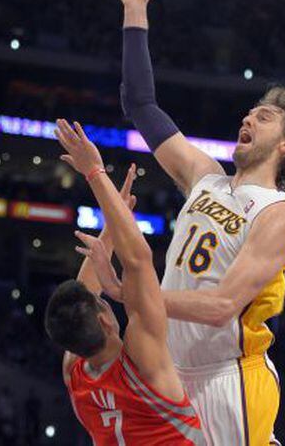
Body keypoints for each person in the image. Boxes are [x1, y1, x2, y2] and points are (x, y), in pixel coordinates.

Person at [105, 0, 285, 445]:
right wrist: (134, 7)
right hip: (168, 372)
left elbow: (222, 306)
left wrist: (136, 295)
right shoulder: (203, 176)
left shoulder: (280, 215)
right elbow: (141, 103)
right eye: (250, 112)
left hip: (228, 381)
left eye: (264, 116)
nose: (248, 117)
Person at [45, 119, 205, 445]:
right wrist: (94, 174)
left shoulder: (75, 373)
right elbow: (138, 260)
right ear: (105, 319)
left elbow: (84, 295)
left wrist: (114, 224)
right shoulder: (142, 360)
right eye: (104, 302)